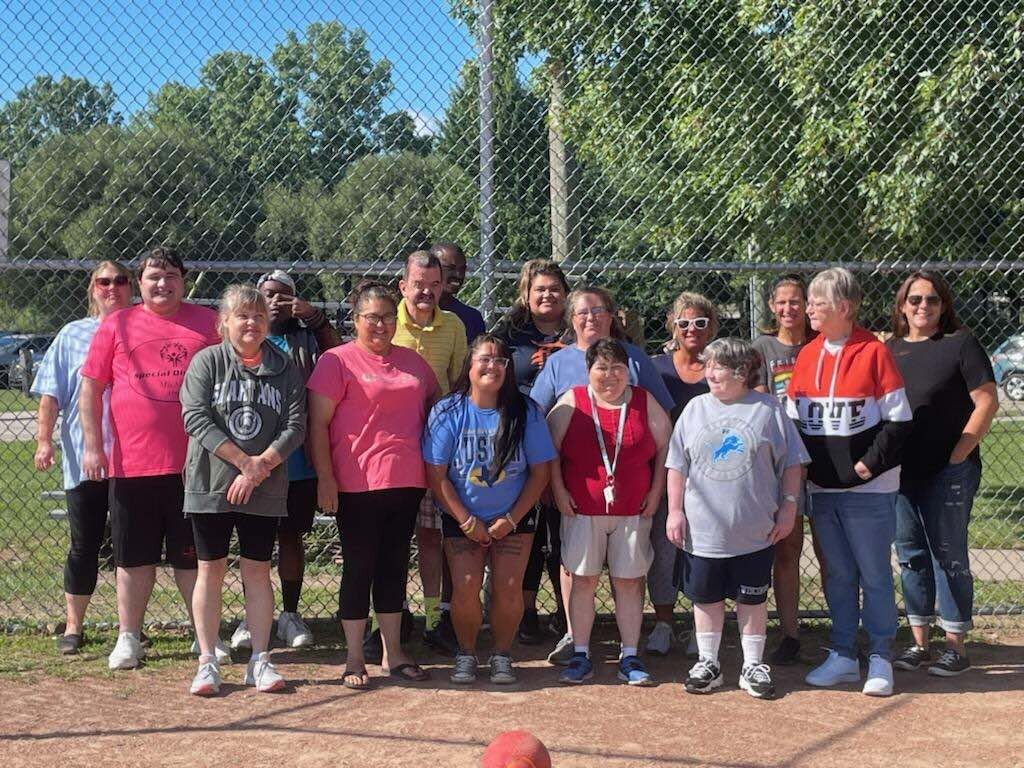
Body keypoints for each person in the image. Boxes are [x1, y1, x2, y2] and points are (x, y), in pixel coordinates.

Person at [80, 246, 224, 670]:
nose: (162, 284)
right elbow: (91, 388)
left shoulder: (207, 323)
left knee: (193, 558)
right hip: (133, 463)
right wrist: (93, 445)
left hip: (195, 462)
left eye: (170, 276)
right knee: (132, 556)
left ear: (184, 279)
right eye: (152, 277)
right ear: (139, 284)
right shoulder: (117, 324)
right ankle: (129, 638)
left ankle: (205, 638)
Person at [530, 286, 674, 665]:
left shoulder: (637, 363)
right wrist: (554, 487)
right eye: (582, 312)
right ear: (570, 318)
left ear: (612, 316)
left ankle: (629, 652)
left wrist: (657, 490)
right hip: (581, 495)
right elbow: (543, 430)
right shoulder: (561, 367)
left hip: (631, 494)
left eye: (598, 311)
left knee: (629, 576)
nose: (590, 318)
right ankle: (575, 642)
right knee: (579, 573)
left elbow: (663, 434)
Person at [307, 280, 439, 689]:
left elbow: (435, 413)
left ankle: (393, 653)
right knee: (359, 566)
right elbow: (318, 425)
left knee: (395, 566)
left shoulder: (414, 363)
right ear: (356, 320)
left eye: (386, 317)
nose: (380, 325)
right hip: (356, 483)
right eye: (371, 318)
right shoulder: (336, 361)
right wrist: (325, 479)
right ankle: (352, 658)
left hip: (407, 481)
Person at [787, 267, 912, 697]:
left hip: (868, 491)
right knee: (837, 574)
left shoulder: (874, 352)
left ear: (843, 306)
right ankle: (842, 653)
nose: (809, 309)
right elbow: (793, 419)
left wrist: (866, 467)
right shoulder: (807, 354)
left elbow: (898, 422)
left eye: (817, 302)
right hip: (822, 489)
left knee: (874, 573)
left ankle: (880, 655)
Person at [666, 338, 809, 699]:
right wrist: (675, 510)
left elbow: (792, 463)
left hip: (754, 528)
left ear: (742, 372)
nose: (710, 373)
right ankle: (709, 662)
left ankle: (752, 665)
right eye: (708, 365)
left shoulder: (767, 409)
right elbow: (676, 466)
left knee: (752, 598)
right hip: (704, 530)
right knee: (706, 598)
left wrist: (789, 506)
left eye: (718, 367)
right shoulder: (695, 408)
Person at [181, 286, 306, 695]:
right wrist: (243, 464)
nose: (250, 323)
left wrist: (258, 470)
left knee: (256, 570)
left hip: (264, 488)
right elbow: (195, 417)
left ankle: (260, 659)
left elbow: (295, 426)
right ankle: (207, 661)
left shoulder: (284, 366)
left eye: (257, 316)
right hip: (212, 484)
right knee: (210, 569)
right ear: (225, 322)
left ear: (267, 323)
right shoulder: (207, 362)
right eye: (242, 316)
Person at [423, 334, 556, 684]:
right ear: (469, 366)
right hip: (462, 515)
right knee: (465, 585)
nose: (492, 366)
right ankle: (466, 653)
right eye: (485, 359)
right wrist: (466, 521)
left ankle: (501, 654)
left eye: (501, 361)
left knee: (508, 585)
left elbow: (541, 471)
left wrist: (511, 519)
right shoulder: (448, 411)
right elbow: (436, 475)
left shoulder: (525, 411)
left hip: (514, 515)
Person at [222, 270, 339, 653]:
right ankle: (250, 615)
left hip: (295, 458)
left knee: (291, 535)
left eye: (285, 296)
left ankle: (288, 613)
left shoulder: (304, 338)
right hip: (249, 457)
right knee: (253, 539)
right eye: (268, 294)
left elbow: (340, 357)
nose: (275, 302)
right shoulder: (241, 338)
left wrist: (316, 318)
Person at [887, 270, 997, 677]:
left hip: (949, 471)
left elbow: (986, 400)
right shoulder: (893, 349)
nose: (923, 307)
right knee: (911, 557)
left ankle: (955, 647)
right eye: (914, 299)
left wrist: (959, 453)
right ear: (902, 305)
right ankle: (920, 645)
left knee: (947, 555)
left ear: (943, 305)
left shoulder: (960, 343)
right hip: (902, 472)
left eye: (932, 300)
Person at [32, 260, 133, 655]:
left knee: (131, 547)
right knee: (84, 544)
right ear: (92, 289)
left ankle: (129, 629)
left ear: (131, 288)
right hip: (84, 458)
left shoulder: (142, 328)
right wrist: (44, 440)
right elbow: (50, 395)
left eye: (121, 281)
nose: (113, 288)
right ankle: (74, 627)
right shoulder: (72, 335)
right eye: (104, 282)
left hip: (134, 459)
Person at [392, 250, 468, 656]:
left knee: (435, 535)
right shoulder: (389, 323)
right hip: (393, 448)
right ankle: (393, 612)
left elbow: (457, 383)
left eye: (434, 285)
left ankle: (437, 618)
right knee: (395, 537)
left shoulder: (453, 325)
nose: (426, 292)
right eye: (419, 285)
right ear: (403, 285)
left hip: (437, 448)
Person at [493, 259, 570, 644]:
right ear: (526, 293)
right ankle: (525, 613)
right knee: (528, 532)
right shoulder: (509, 335)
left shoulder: (577, 334)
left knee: (562, 532)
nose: (547, 295)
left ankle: (566, 612)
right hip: (521, 441)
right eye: (539, 289)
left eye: (555, 288)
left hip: (571, 445)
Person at [645, 292, 718, 657]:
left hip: (713, 475)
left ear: (712, 327)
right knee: (663, 547)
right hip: (666, 471)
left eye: (701, 323)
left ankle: (698, 624)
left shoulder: (720, 367)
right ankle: (662, 622)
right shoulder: (656, 367)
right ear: (673, 326)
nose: (692, 330)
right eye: (685, 323)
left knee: (703, 548)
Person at [752, 274, 820, 666]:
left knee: (831, 552)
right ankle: (790, 633)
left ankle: (844, 631)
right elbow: (760, 398)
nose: (789, 309)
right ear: (772, 306)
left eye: (796, 302)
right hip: (782, 462)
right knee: (787, 548)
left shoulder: (820, 344)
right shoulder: (762, 348)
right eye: (782, 302)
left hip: (825, 459)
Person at [432, 241, 486, 344]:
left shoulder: (471, 318)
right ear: (431, 268)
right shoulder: (411, 313)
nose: (459, 275)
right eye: (450, 268)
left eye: (462, 269)